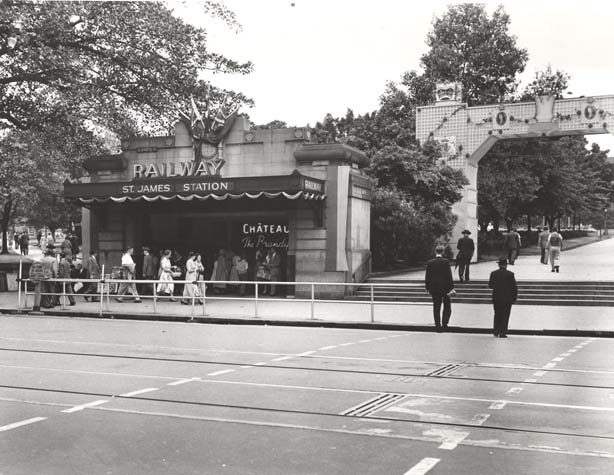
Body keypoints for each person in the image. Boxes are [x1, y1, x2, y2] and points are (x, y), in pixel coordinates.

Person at [424, 245, 456, 332]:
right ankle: (445, 323)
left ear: (435, 251)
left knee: (436, 307)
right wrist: (451, 287)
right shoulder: (446, 262)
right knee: (447, 306)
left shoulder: (430, 262)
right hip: (445, 288)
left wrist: (427, 287)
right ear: (442, 252)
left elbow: (428, 276)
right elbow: (449, 275)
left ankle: (438, 326)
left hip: (434, 288)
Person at [488, 257, 518, 338]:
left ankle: (496, 330)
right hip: (507, 298)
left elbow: (490, 286)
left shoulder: (493, 273)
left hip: (496, 297)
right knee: (505, 315)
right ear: (506, 265)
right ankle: (503, 332)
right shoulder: (510, 274)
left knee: (497, 314)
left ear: (499, 265)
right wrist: (514, 298)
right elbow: (514, 288)